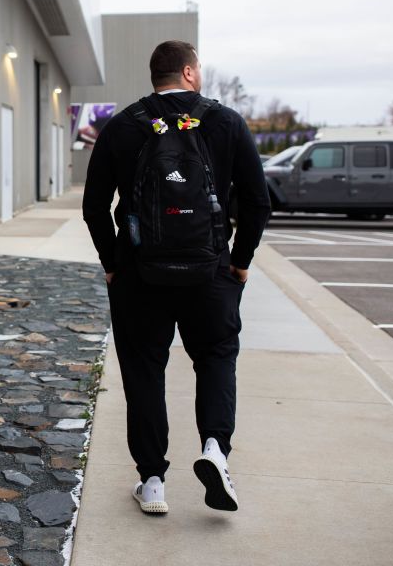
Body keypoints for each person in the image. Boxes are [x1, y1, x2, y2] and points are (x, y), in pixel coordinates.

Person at [82, 40, 271, 514]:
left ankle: (152, 481)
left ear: (155, 76)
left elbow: (94, 206)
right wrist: (240, 261)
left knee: (145, 371)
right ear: (188, 72)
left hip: (140, 275)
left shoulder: (123, 126)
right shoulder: (225, 122)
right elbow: (256, 201)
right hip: (209, 271)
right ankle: (213, 449)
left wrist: (112, 263)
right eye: (199, 68)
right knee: (215, 358)